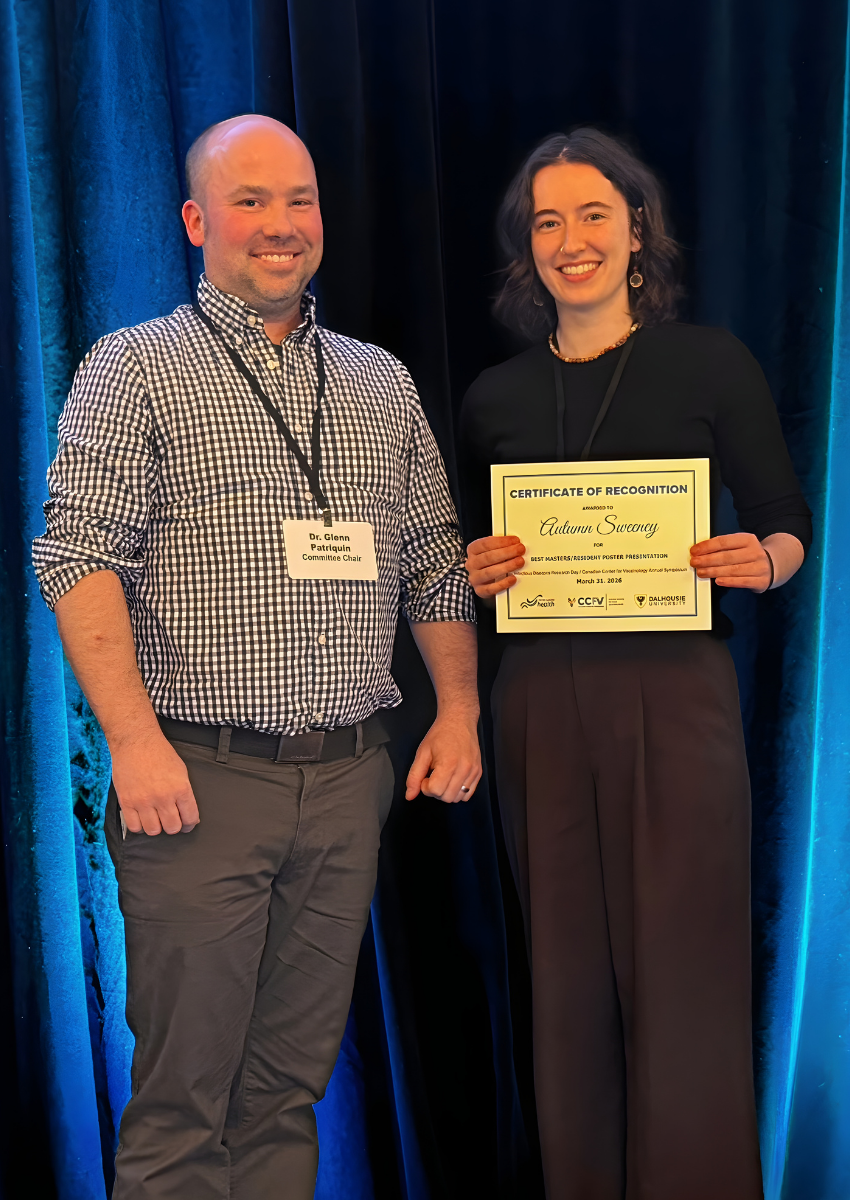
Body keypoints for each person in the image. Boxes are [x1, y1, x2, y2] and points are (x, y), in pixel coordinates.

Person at [32, 114, 481, 1199]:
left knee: (287, 1086)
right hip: (195, 782)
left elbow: (433, 558)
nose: (280, 226)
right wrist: (131, 745)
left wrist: (459, 712)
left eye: (299, 200)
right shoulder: (133, 368)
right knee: (185, 1098)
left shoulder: (381, 383)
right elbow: (75, 554)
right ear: (197, 221)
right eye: (250, 201)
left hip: (346, 782)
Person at [460, 128, 811, 1200]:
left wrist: (761, 560)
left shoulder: (710, 363)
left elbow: (785, 524)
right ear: (528, 244)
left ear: (636, 230)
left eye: (593, 216)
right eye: (549, 221)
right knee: (565, 979)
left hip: (677, 696)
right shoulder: (492, 398)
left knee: (683, 972)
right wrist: (478, 565)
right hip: (539, 707)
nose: (572, 240)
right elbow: (475, 559)